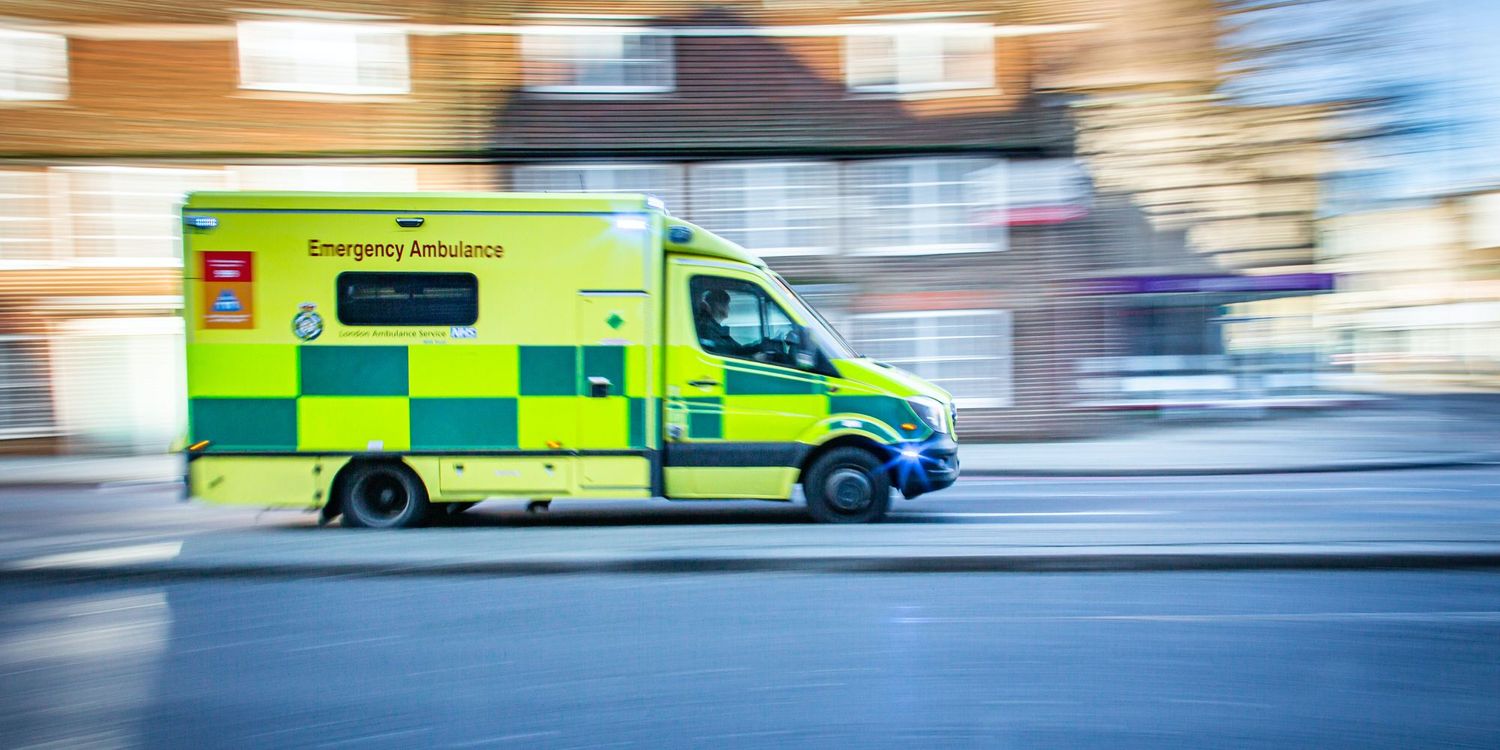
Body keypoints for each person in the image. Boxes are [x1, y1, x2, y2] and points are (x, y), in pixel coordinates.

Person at [695, 288, 756, 357]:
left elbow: (737, 349)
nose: (729, 308)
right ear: (718, 305)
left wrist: (757, 347)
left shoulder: (716, 329)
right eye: (726, 304)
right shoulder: (707, 329)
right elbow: (725, 353)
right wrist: (753, 357)